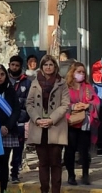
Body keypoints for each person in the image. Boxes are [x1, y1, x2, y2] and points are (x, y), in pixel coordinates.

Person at [27, 55, 70, 193]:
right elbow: (29, 104)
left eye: (51, 65)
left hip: (55, 126)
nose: (48, 67)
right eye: (45, 65)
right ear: (42, 67)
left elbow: (65, 104)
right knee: (43, 162)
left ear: (55, 66)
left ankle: (55, 190)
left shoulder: (62, 83)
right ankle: (44, 190)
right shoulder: (35, 82)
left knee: (56, 163)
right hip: (39, 127)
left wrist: (52, 119)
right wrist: (37, 119)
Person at [63, 62, 99, 186]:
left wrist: (88, 105)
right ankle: (71, 175)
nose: (81, 74)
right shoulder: (66, 87)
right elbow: (61, 104)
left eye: (83, 72)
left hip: (84, 123)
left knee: (84, 150)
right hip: (70, 123)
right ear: (72, 73)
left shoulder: (88, 86)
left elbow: (96, 101)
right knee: (70, 150)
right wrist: (73, 106)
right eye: (79, 72)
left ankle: (85, 175)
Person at [0, 64, 20, 193]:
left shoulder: (10, 90)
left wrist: (7, 126)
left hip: (7, 131)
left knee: (3, 163)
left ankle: (3, 190)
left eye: (2, 74)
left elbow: (16, 110)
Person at [5, 55, 31, 183]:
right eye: (12, 65)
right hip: (5, 121)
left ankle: (14, 173)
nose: (14, 67)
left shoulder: (27, 82)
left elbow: (29, 102)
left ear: (21, 67)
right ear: (9, 65)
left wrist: (20, 110)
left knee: (18, 149)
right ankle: (1, 173)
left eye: (17, 65)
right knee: (4, 150)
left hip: (20, 121)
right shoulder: (3, 79)